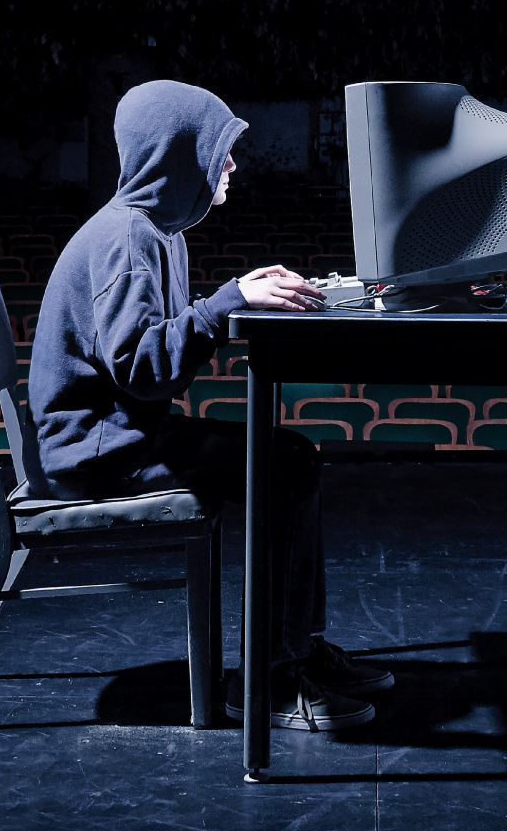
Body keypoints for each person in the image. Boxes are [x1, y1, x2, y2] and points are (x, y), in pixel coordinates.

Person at [28, 79, 391, 732]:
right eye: (219, 149)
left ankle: (296, 646)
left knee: (293, 453)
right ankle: (270, 680)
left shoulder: (156, 231)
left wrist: (234, 298)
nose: (232, 164)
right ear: (177, 154)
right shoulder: (127, 239)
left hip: (122, 435)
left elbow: (153, 353)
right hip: (101, 452)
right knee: (286, 467)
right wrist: (227, 304)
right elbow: (143, 369)